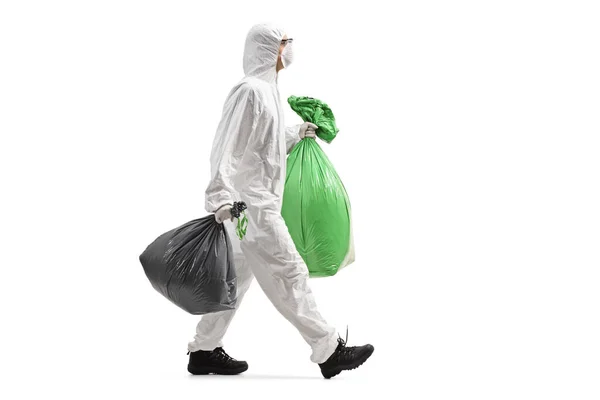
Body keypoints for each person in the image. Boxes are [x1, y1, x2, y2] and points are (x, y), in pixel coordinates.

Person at [187, 22, 373, 379]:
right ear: (268, 49)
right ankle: (329, 349)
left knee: (235, 279)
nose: (289, 48)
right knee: (290, 272)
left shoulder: (267, 90)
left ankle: (204, 349)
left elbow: (262, 147)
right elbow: (227, 145)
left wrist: (294, 133)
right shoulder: (250, 91)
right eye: (284, 43)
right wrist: (219, 196)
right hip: (251, 207)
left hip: (252, 203)